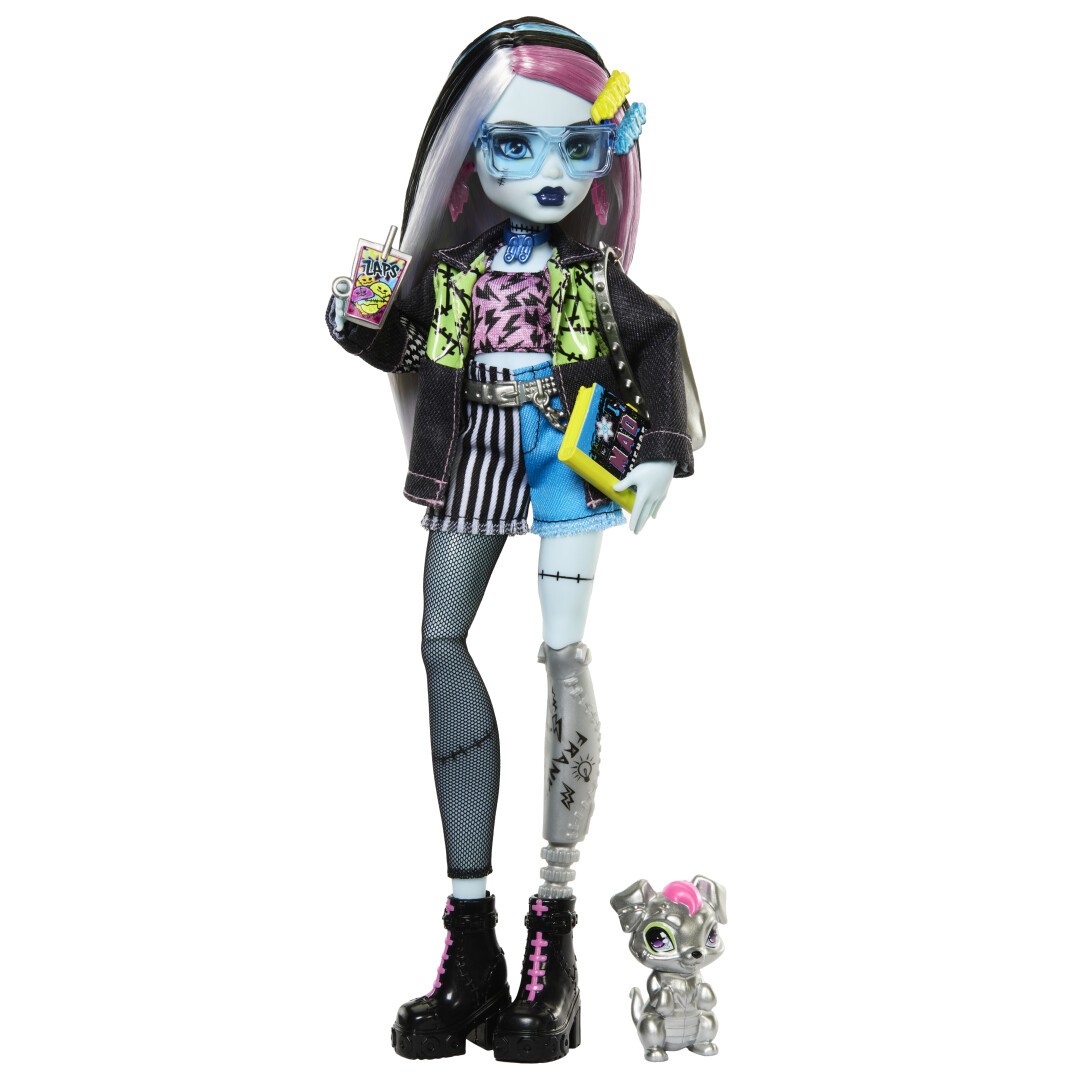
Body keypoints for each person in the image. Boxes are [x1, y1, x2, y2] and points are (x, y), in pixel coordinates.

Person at [326, 17, 694, 1063]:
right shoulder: (458, 273)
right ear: (467, 155)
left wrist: (657, 449)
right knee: (440, 640)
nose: (550, 172)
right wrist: (356, 314)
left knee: (562, 655)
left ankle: (553, 929)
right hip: (472, 457)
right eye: (515, 145)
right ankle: (469, 928)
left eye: (579, 147)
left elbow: (655, 336)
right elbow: (399, 342)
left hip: (565, 460)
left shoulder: (586, 278)